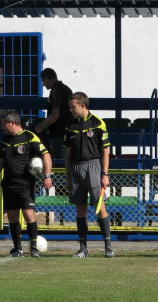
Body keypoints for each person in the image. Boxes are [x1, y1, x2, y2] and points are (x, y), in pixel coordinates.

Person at [0, 110, 52, 258]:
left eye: (4, 124)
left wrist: (47, 176)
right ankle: (17, 248)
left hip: (25, 184)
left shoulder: (29, 137)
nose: (2, 127)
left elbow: (46, 155)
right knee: (12, 216)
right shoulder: (5, 140)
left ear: (12, 123)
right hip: (9, 183)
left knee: (29, 215)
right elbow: (0, 161)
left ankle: (34, 248)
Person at [64, 92, 114, 258]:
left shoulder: (98, 123)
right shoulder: (70, 126)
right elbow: (68, 154)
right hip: (76, 168)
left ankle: (108, 247)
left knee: (99, 207)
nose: (70, 110)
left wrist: (105, 173)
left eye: (73, 107)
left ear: (82, 105)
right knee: (80, 209)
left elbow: (105, 151)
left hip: (93, 166)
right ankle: (83, 248)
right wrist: (68, 177)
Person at [34, 68, 73, 161]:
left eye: (43, 81)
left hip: (58, 132)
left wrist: (41, 126)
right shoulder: (66, 89)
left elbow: (55, 114)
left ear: (47, 79)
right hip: (68, 130)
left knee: (58, 160)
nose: (43, 84)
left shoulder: (56, 91)